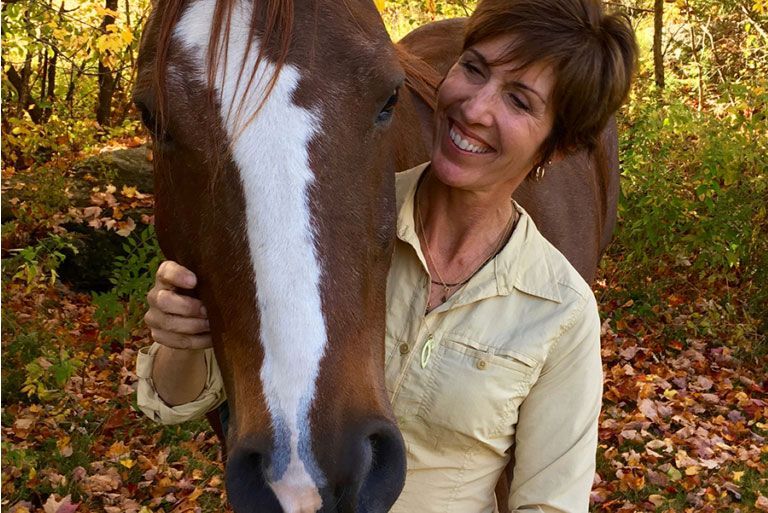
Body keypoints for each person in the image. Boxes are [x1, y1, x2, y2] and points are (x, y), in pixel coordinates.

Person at [136, 0, 637, 510]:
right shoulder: (325, 220)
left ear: (555, 147)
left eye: (519, 102)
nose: (474, 108)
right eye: (473, 69)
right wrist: (180, 339)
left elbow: (551, 501)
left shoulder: (560, 309)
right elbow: (176, 401)